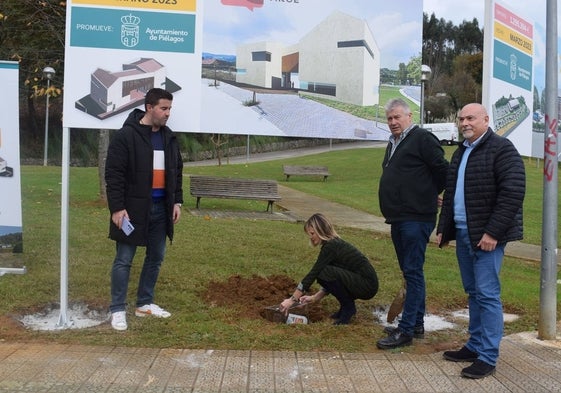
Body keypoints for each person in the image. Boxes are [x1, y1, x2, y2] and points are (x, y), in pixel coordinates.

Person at [436, 103, 525, 379]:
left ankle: (487, 356)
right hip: (464, 232)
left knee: (487, 295)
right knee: (473, 292)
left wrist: (493, 233)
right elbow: (450, 194)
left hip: (487, 237)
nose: (465, 123)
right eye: (461, 118)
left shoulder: (502, 149)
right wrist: (444, 227)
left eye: (471, 118)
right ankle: (474, 345)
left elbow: (513, 192)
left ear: (486, 120)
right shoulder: (461, 151)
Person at [105, 88, 184, 331]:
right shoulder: (126, 136)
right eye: (164, 108)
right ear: (149, 107)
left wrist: (177, 201)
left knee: (156, 257)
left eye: (170, 108)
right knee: (124, 259)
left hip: (162, 208)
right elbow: (114, 175)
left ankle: (144, 304)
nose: (168, 113)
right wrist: (118, 208)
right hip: (133, 210)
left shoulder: (169, 137)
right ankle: (117, 309)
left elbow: (176, 171)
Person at [376, 98, 448, 349]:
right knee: (411, 272)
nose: (393, 122)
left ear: (409, 116)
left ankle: (405, 331)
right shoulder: (394, 142)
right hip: (399, 216)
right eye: (389, 118)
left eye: (397, 117)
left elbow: (443, 170)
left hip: (416, 217)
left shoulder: (422, 138)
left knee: (413, 273)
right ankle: (416, 324)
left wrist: (430, 193)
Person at [279, 213, 379, 325]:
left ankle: (348, 308)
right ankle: (346, 307)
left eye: (312, 233)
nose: (310, 237)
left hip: (367, 285)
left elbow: (314, 273)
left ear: (320, 230)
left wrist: (292, 300)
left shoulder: (331, 246)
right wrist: (314, 297)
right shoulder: (333, 244)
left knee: (322, 272)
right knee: (325, 272)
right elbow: (335, 278)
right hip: (363, 283)